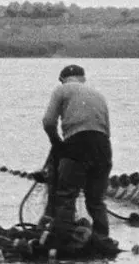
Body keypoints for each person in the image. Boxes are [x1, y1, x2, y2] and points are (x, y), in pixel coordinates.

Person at [40, 64, 112, 245]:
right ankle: (103, 241)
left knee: (66, 195)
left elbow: (48, 122)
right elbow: (107, 129)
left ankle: (64, 241)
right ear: (83, 79)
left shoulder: (61, 90)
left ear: (63, 79)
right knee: (96, 200)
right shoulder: (98, 95)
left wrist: (56, 143)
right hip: (103, 146)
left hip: (77, 144)